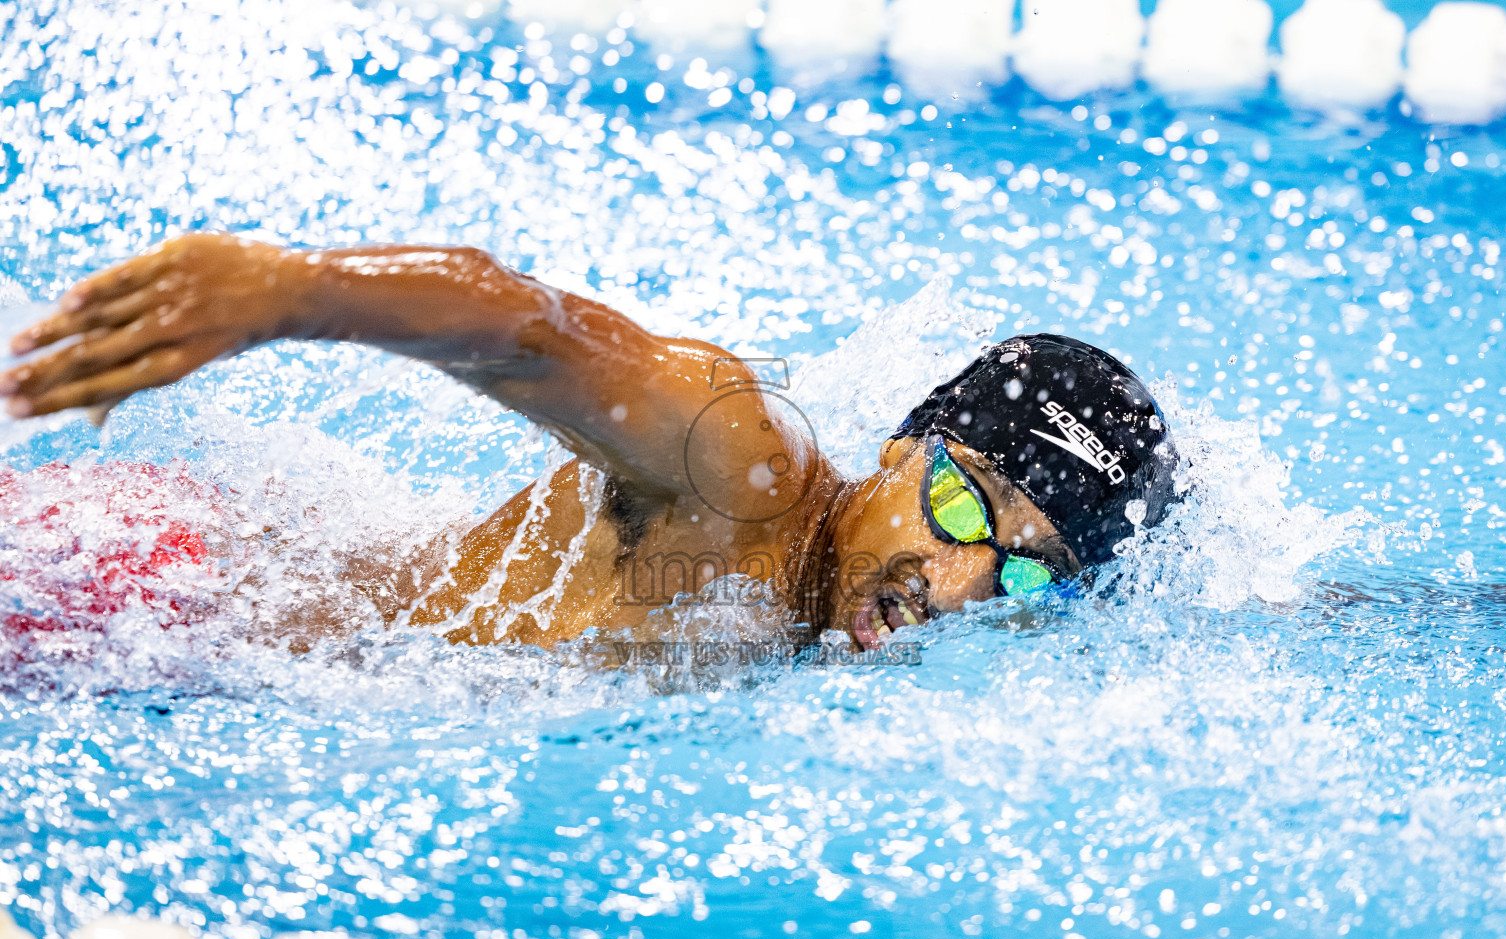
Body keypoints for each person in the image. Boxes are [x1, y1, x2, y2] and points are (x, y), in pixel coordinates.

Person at [0, 234, 1177, 652]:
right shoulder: (742, 475)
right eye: (968, 509)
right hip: (131, 597)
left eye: (1027, 566)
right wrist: (282, 292)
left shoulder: (828, 605)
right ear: (905, 447)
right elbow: (525, 329)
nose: (963, 580)